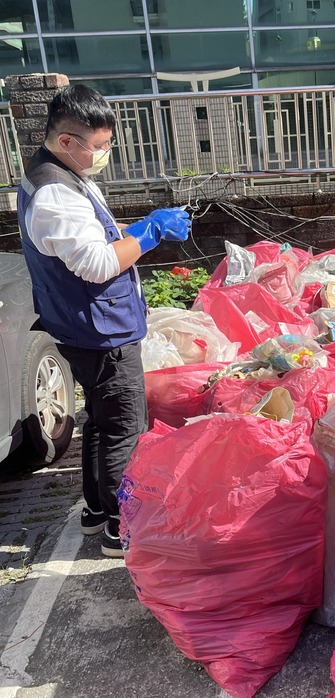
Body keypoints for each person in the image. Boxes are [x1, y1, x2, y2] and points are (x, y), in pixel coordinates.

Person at [17, 84, 191, 558]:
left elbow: (93, 239)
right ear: (67, 140)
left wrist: (139, 228)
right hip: (100, 332)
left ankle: (96, 511)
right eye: (100, 145)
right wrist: (151, 232)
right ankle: (120, 526)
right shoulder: (55, 194)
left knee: (100, 420)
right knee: (124, 428)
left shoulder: (55, 173)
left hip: (82, 326)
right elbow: (95, 264)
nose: (105, 153)